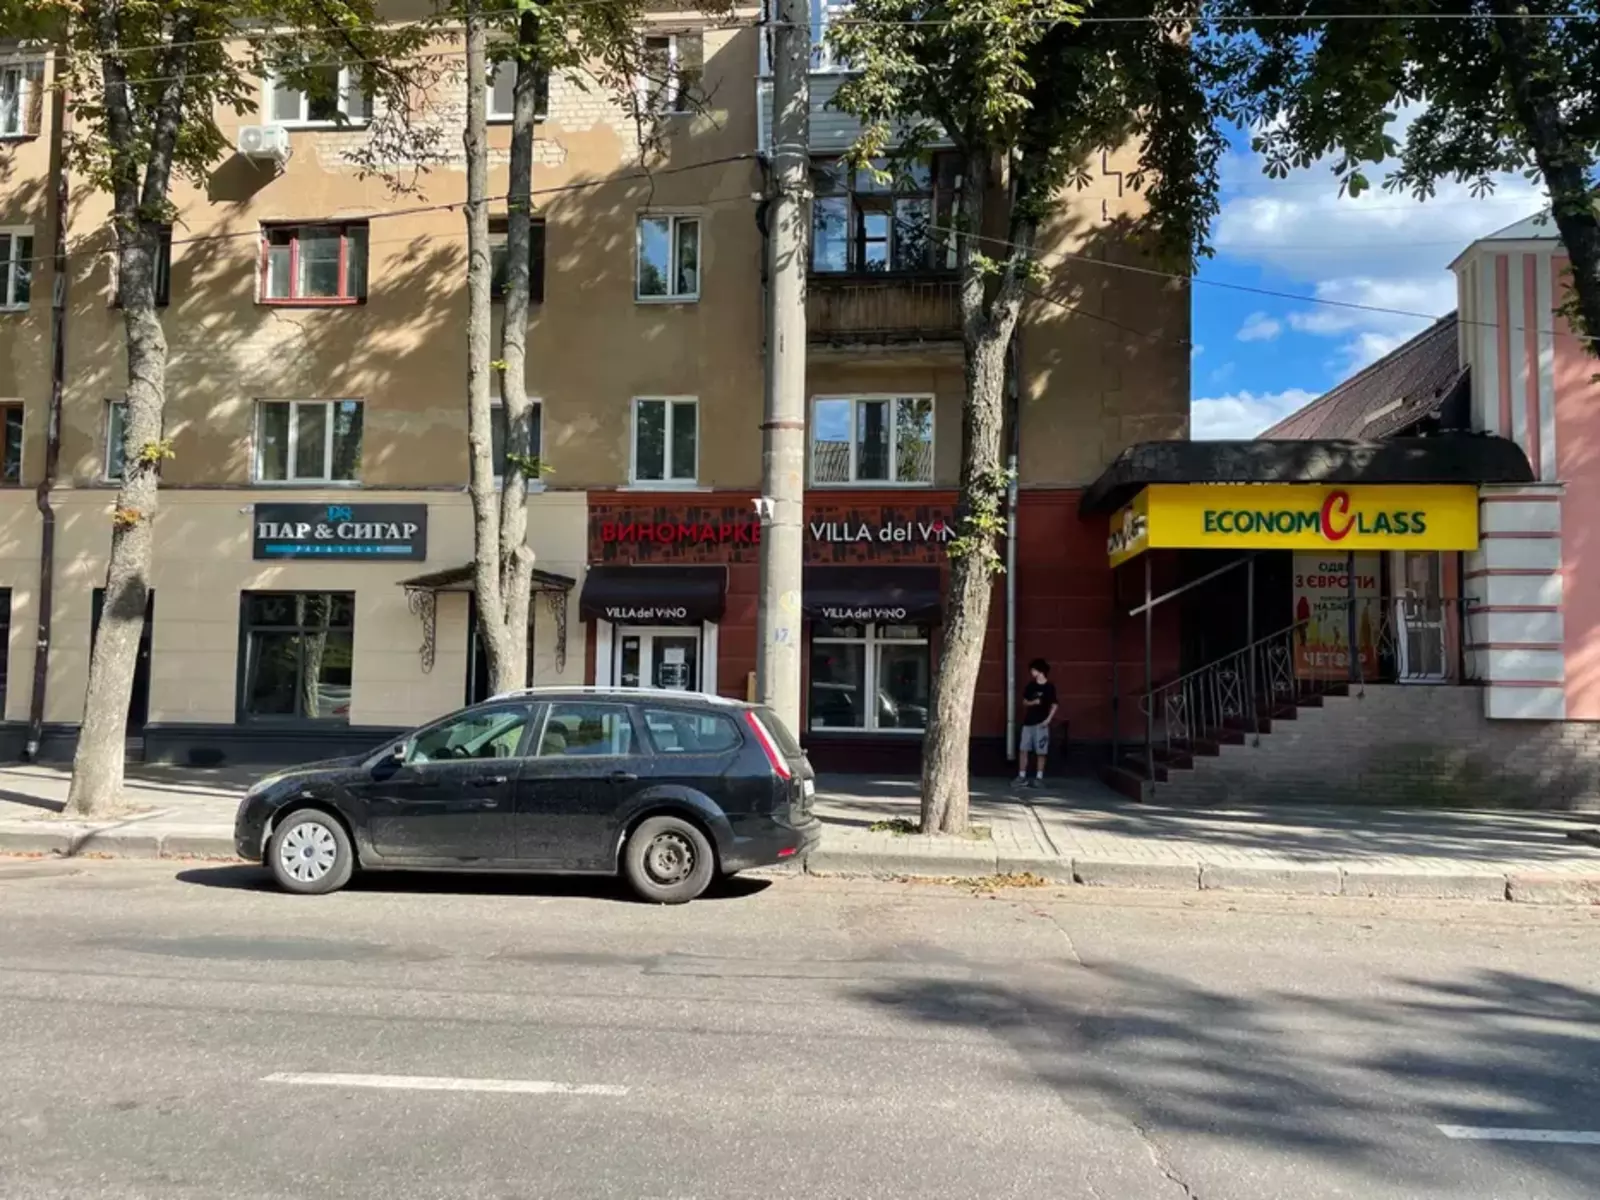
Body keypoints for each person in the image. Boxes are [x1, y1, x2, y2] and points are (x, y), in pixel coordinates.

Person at [1015, 658, 1058, 788]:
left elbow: (1054, 705)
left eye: (1034, 670)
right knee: (1023, 749)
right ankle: (1021, 775)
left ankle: (1039, 777)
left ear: (1040, 671)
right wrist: (1033, 702)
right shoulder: (1031, 686)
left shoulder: (1049, 687)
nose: (1032, 672)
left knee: (1041, 751)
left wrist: (1048, 720)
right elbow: (1024, 702)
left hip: (1042, 723)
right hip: (1028, 722)